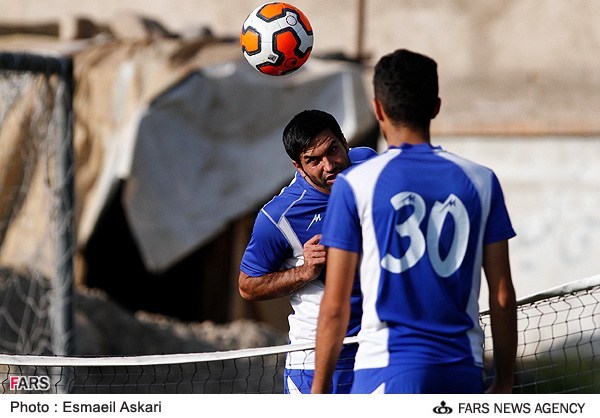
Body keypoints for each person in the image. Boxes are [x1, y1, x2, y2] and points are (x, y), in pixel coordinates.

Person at [311, 49, 517, 394]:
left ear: (377, 109)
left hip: (386, 369)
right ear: (436, 106)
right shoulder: (482, 180)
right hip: (462, 370)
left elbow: (336, 304)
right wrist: (506, 380)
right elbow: (502, 294)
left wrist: (318, 392)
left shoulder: (356, 185)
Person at [238, 109, 377, 394]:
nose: (329, 166)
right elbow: (248, 286)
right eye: (313, 161)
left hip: (377, 347)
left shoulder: (368, 163)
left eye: (333, 150)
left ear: (344, 141)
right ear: (298, 166)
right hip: (316, 360)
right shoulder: (279, 218)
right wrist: (304, 271)